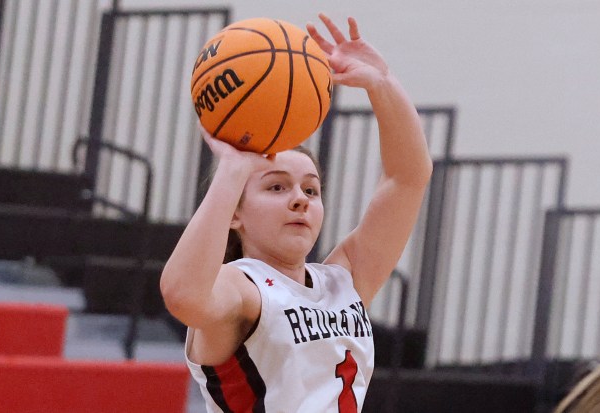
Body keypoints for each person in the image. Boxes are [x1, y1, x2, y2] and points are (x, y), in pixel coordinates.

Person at [160, 13, 432, 412]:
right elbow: (183, 295)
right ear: (235, 213)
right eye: (276, 186)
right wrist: (233, 169)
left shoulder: (344, 282)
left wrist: (382, 83)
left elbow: (407, 178)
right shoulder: (241, 288)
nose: (300, 198)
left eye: (311, 188)